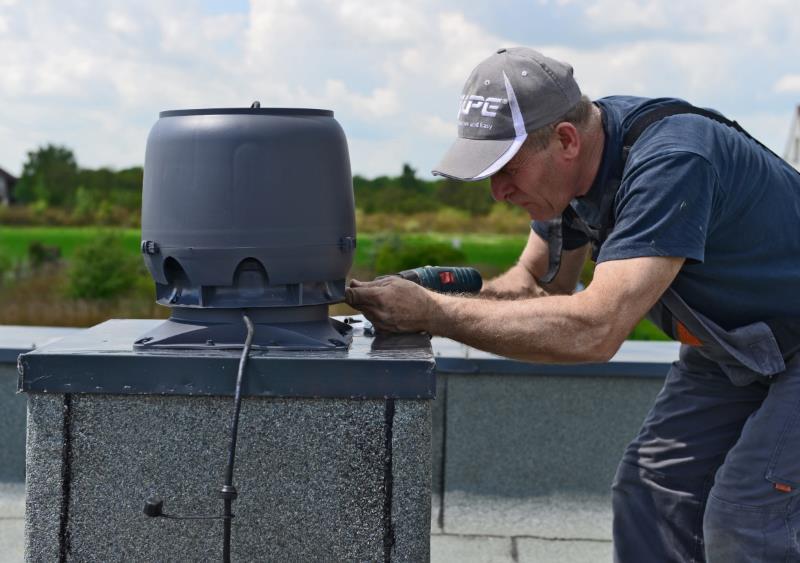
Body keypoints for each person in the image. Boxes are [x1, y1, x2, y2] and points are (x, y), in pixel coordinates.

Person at [344, 47, 800, 562]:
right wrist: (426, 291)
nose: (498, 192)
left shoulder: (671, 162)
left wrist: (433, 313)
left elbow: (596, 328)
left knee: (748, 515)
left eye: (507, 168)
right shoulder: (575, 173)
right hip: (738, 345)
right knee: (649, 491)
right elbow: (534, 286)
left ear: (565, 139)